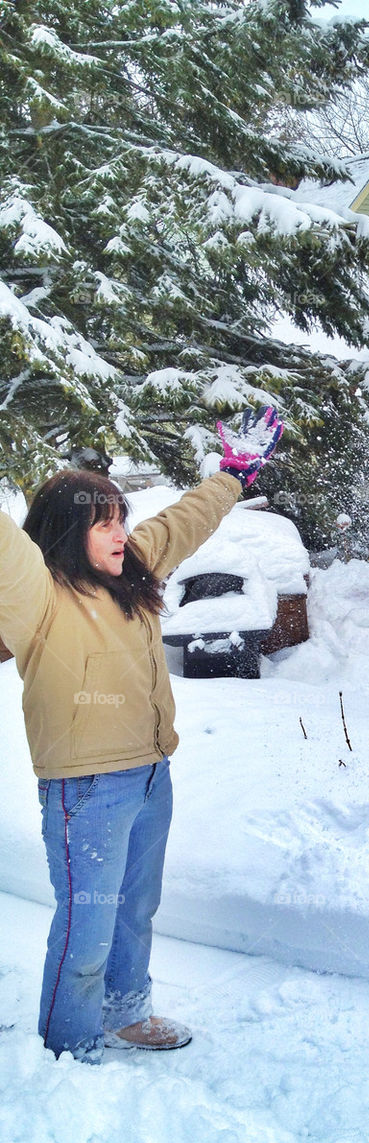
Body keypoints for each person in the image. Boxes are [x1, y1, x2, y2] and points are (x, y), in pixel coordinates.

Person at [0, 407, 283, 1063]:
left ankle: (125, 1012)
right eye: (103, 522)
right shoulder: (37, 595)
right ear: (67, 530)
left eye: (121, 517)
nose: (120, 531)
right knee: (88, 919)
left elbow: (184, 519)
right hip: (86, 788)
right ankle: (67, 1048)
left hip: (151, 774)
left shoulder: (136, 570)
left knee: (133, 907)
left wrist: (234, 475)